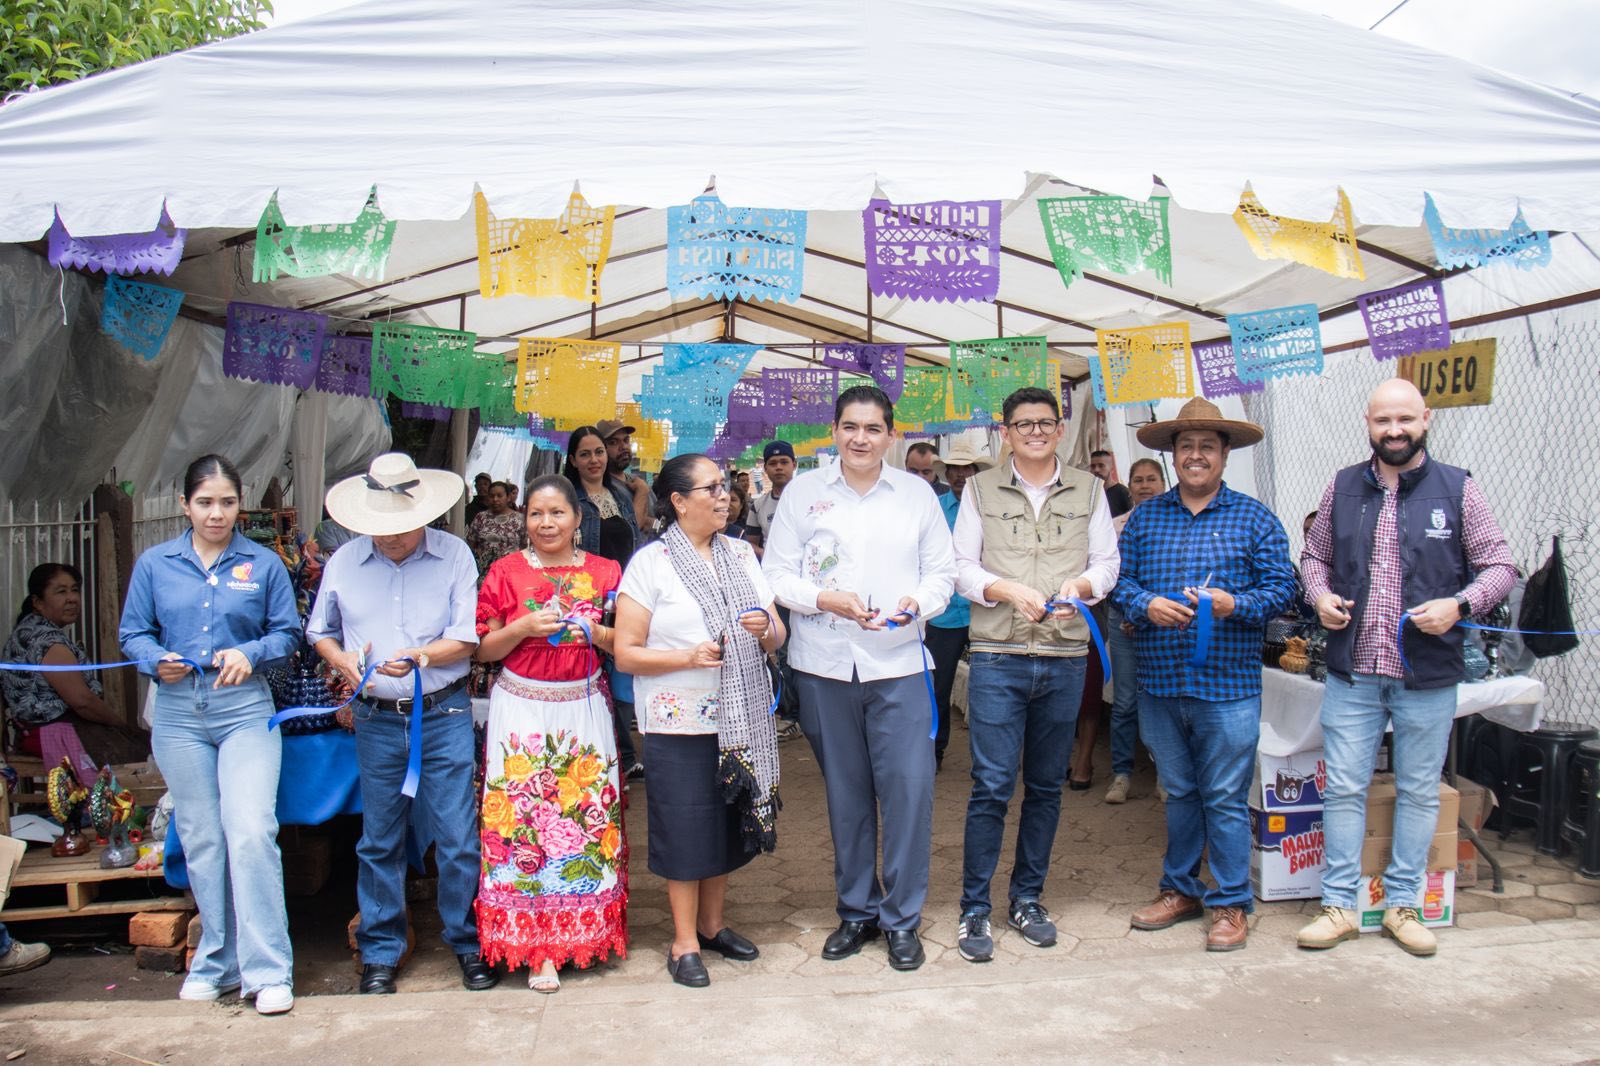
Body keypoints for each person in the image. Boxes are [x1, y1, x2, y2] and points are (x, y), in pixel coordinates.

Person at [1296, 379, 1515, 958]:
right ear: (1367, 423)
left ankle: (1404, 906)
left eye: (1405, 420)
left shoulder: (1458, 488)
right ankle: (1339, 905)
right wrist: (1319, 596)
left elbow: (1500, 566)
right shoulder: (1342, 486)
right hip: (1354, 670)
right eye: (1382, 421)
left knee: (1419, 790)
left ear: (1426, 419)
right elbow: (1313, 555)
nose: (1394, 431)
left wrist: (1460, 605)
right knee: (1343, 788)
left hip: (1427, 673)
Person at [763, 385, 956, 972]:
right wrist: (825, 597)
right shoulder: (803, 493)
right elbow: (776, 574)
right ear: (835, 430)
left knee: (908, 792)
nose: (861, 439)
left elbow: (942, 576)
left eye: (873, 429)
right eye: (850, 427)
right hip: (824, 664)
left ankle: (902, 919)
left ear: (890, 434)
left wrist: (913, 604)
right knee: (846, 796)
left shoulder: (916, 496)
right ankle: (856, 911)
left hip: (898, 663)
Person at [307, 453, 497, 996]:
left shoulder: (454, 554)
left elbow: (467, 638)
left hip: (443, 712)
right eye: (379, 529)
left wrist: (422, 656)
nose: (389, 538)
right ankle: (380, 951)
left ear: (424, 516)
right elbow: (320, 630)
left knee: (458, 836)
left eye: (400, 528)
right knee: (379, 838)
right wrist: (342, 660)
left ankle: (467, 942)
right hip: (376, 718)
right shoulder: (344, 561)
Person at [118, 454, 300, 1014]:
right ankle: (216, 962)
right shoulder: (155, 564)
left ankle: (269, 971)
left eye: (226, 502)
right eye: (204, 503)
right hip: (176, 712)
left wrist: (250, 653)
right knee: (202, 838)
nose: (216, 514)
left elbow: (288, 633)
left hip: (245, 709)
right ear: (184, 505)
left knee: (249, 830)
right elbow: (132, 633)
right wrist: (155, 660)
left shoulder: (264, 564)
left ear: (238, 505)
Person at [1113, 399, 1293, 953]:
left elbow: (1284, 589)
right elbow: (1118, 583)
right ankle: (1181, 889)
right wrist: (1146, 606)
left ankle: (1232, 901)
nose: (1196, 456)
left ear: (1225, 455)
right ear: (1172, 455)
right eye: (1186, 446)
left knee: (1224, 795)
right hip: (1161, 681)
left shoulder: (1255, 518)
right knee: (1182, 792)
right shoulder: (1146, 518)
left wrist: (1232, 604)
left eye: (1207, 447)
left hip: (1229, 686)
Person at [951, 387, 1119, 963]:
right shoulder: (978, 489)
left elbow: (1107, 563)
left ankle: (1027, 899)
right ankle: (975, 908)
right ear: (1007, 431)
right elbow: (960, 568)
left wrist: (1081, 588)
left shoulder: (1090, 489)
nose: (1036, 433)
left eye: (1046, 423)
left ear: (1060, 428)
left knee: (1046, 786)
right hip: (997, 654)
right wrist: (1003, 588)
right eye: (1024, 424)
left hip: (1065, 656)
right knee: (992, 786)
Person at [615, 454, 785, 988]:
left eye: (723, 487)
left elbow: (777, 635)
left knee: (723, 826)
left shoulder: (741, 553)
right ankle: (683, 941)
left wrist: (765, 629)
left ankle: (713, 927)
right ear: (679, 501)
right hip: (677, 724)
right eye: (710, 488)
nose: (723, 495)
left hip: (739, 721)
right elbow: (626, 654)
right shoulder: (652, 563)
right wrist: (686, 658)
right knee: (685, 830)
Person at [472, 475, 626, 993]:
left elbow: (626, 641)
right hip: (521, 712)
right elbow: (482, 650)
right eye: (536, 514)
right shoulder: (504, 573)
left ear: (577, 519)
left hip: (582, 710)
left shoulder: (606, 573)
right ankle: (531, 945)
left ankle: (579, 936)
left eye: (557, 513)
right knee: (522, 823)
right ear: (524, 519)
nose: (546, 523)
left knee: (581, 818)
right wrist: (521, 629)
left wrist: (593, 632)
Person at [3, 563, 148, 774]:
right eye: (61, 592)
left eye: (75, 590)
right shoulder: (46, 640)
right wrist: (121, 724)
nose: (72, 598)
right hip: (54, 732)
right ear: (37, 602)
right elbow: (82, 702)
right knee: (143, 752)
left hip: (38, 731)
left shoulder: (30, 629)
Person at [564, 425, 645, 782]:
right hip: (584, 601)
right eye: (585, 454)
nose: (594, 459)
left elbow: (637, 539)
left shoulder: (621, 496)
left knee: (623, 677)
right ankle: (605, 756)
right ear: (573, 460)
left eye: (599, 452)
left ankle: (620, 752)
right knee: (591, 677)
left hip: (624, 599)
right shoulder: (569, 500)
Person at [924, 441, 994, 770]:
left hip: (987, 609)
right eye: (955, 469)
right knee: (937, 687)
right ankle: (934, 752)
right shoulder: (935, 507)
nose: (961, 475)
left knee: (991, 688)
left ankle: (990, 757)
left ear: (976, 473)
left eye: (967, 469)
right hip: (944, 612)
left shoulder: (991, 507)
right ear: (947, 473)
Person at [1104, 458, 1168, 804]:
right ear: (1129, 486)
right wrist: (1131, 611)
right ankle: (1122, 774)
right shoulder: (1115, 526)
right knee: (1126, 701)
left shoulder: (1176, 521)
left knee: (1161, 700)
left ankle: (1166, 776)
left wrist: (1147, 613)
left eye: (1151, 479)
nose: (1145, 486)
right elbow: (1111, 575)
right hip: (1123, 619)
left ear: (1163, 482)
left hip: (1165, 622)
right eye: (1138, 480)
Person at [597, 419, 656, 532]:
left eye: (626, 440)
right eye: (613, 442)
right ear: (600, 450)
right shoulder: (601, 487)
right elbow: (631, 530)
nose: (623, 446)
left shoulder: (637, 481)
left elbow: (660, 519)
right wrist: (642, 493)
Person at [466, 481, 528, 578]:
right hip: (484, 575)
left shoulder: (519, 519)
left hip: (510, 575)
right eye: (491, 496)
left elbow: (525, 548)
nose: (495, 499)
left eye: (499, 496)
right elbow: (470, 546)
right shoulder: (481, 518)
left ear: (508, 498)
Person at [745, 440, 797, 551]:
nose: (778, 467)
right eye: (772, 463)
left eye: (784, 462)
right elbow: (750, 545)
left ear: (794, 465)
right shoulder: (757, 506)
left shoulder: (811, 499)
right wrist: (764, 555)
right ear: (765, 469)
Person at [1089, 449, 1134, 518]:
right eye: (1093, 466)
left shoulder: (1123, 492)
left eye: (1101, 466)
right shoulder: (1088, 493)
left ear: (1111, 468)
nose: (1096, 470)